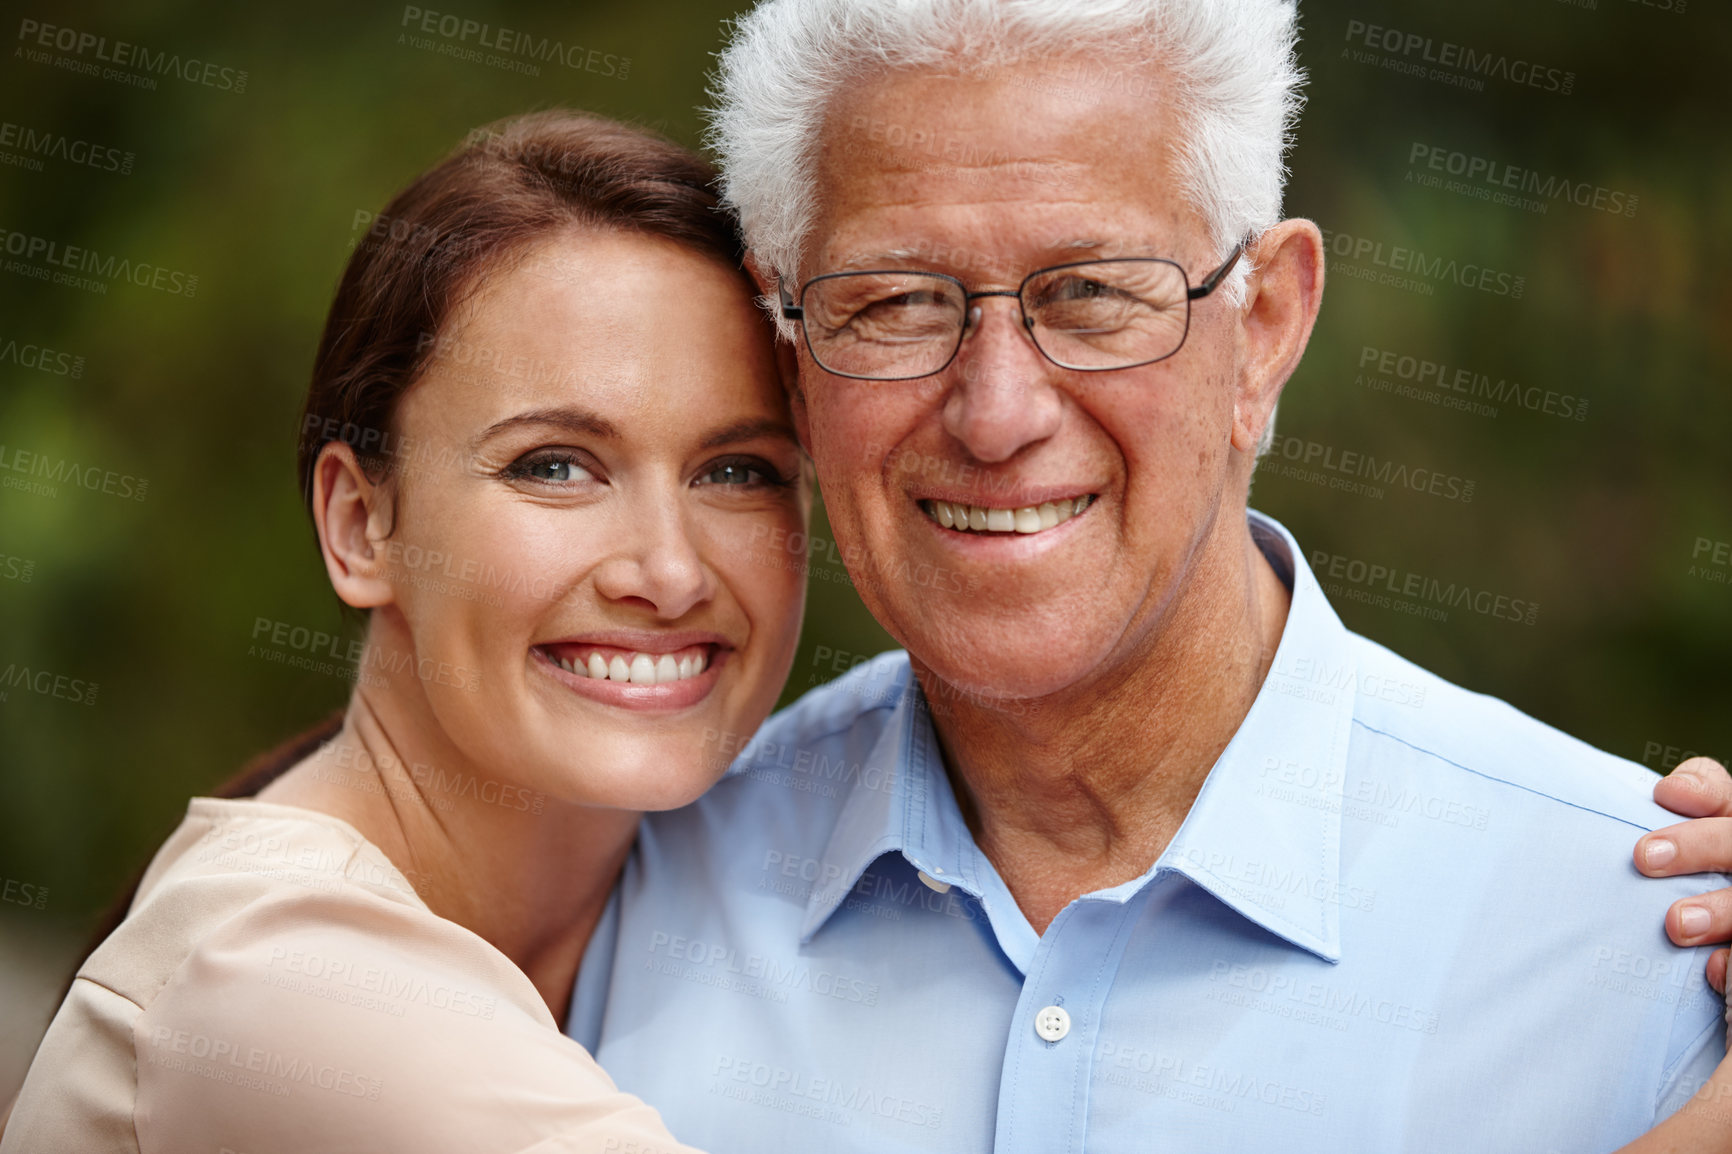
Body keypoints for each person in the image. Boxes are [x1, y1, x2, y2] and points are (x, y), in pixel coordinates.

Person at [563, 2, 1732, 1151]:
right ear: (793, 366)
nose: (996, 413)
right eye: (898, 303)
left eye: (1090, 292)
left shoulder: (1640, 947)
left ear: (1263, 324)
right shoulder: (628, 885)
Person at [0, 109, 809, 1152]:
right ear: (359, 523)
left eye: (736, 470)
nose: (668, 569)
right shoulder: (280, 970)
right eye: (554, 463)